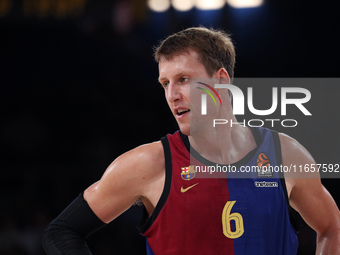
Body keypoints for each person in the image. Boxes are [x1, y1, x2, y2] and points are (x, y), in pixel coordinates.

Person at [42, 27, 340, 254]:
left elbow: (332, 227)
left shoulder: (286, 154)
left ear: (221, 81)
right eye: (165, 83)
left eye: (183, 79)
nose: (172, 95)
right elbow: (61, 231)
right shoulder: (148, 164)